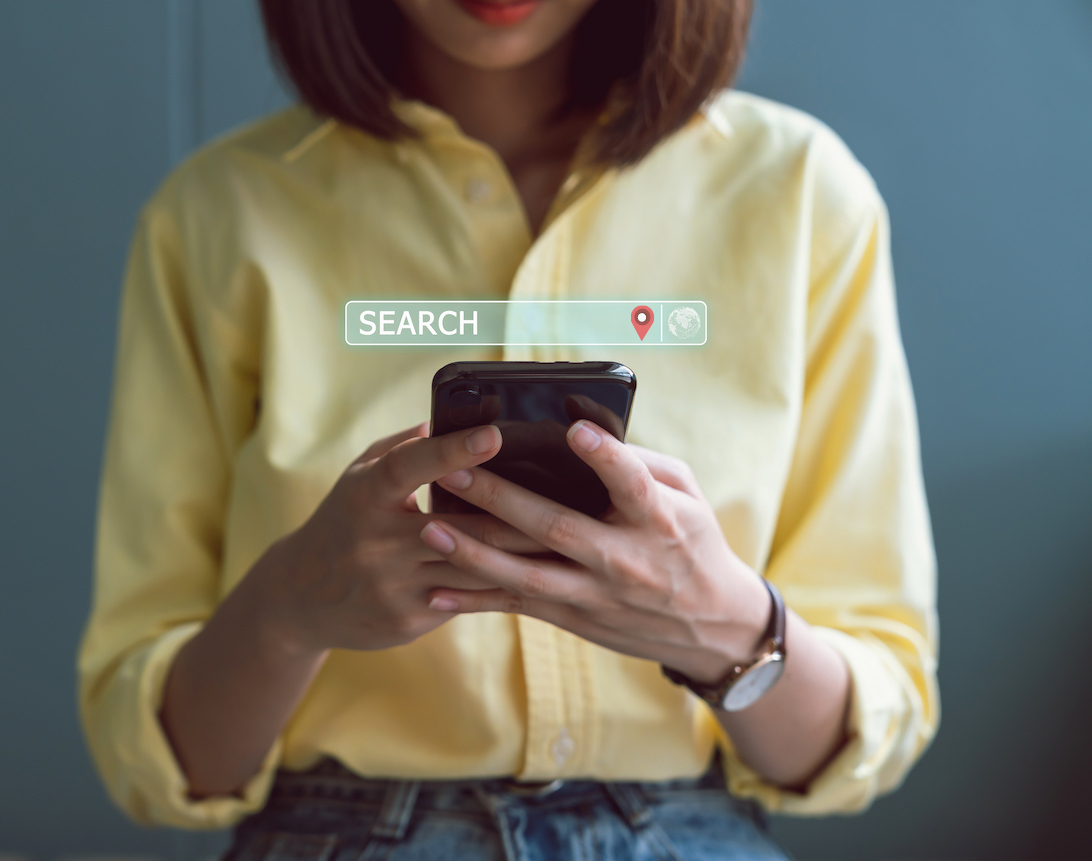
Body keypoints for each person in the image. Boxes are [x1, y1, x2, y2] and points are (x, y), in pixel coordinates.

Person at [78, 0, 939, 857]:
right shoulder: (215, 215)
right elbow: (164, 760)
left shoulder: (801, 194)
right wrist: (291, 606)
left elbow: (862, 729)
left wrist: (725, 625)